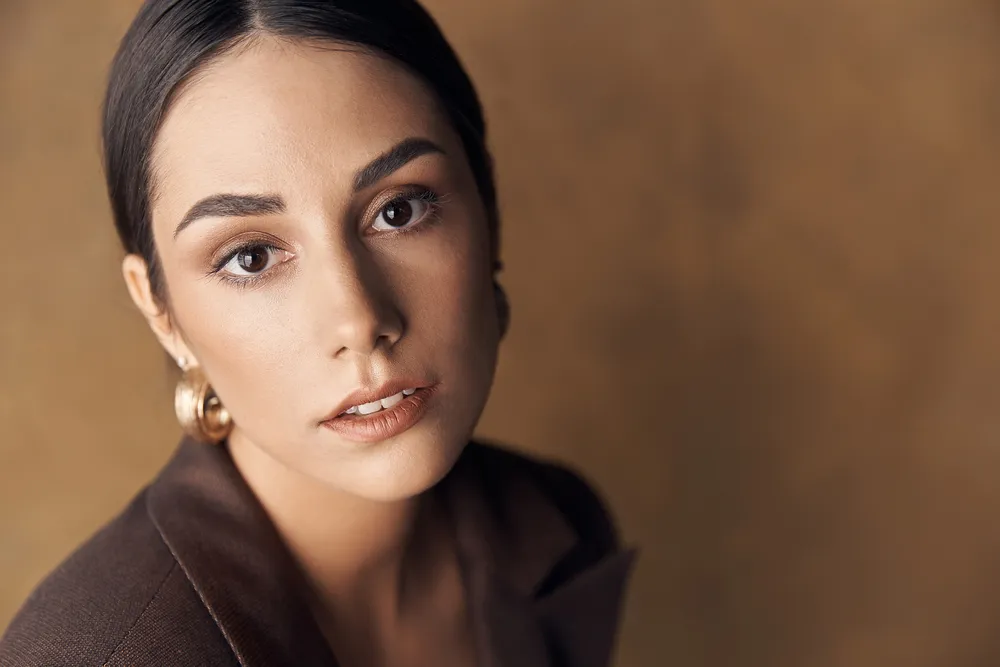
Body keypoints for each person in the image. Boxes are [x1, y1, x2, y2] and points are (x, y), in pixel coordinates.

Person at [0, 1, 635, 665]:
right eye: (251, 257)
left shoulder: (557, 526)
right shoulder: (100, 652)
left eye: (399, 210)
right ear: (161, 311)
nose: (360, 319)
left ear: (488, 211)